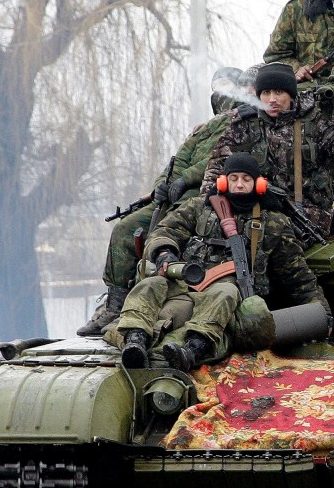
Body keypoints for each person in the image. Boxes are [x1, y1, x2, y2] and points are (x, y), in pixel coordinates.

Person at [78, 67, 257, 336]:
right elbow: (180, 157)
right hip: (171, 198)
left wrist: (184, 179)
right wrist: (161, 186)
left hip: (200, 196)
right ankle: (115, 306)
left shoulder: (245, 124)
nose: (223, 94)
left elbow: (218, 163)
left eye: (229, 87)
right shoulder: (207, 127)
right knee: (125, 229)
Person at [114, 153, 331, 371]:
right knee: (151, 285)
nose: (239, 185)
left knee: (225, 291)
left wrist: (323, 314)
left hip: (229, 304)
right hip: (184, 288)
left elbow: (298, 277)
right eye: (234, 178)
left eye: (246, 179)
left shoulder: (273, 223)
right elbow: (165, 231)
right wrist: (164, 253)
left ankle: (194, 349)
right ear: (223, 181)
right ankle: (135, 340)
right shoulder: (199, 208)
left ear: (259, 184)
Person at [200, 62, 334, 239]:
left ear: (291, 95)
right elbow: (216, 170)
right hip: (256, 212)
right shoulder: (244, 125)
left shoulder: (314, 122)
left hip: (307, 219)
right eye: (265, 93)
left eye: (279, 92)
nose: (272, 99)